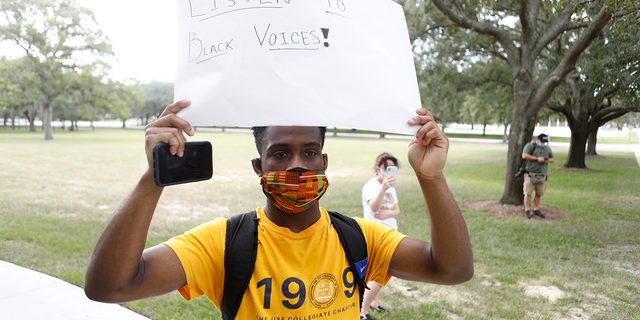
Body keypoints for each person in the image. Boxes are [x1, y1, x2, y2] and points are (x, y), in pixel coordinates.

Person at [84, 99, 474, 319]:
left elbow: (453, 269)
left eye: (309, 152)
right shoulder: (223, 243)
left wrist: (432, 177)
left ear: (324, 162)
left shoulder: (361, 238)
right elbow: (108, 285)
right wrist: (153, 178)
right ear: (259, 167)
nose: (297, 166)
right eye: (280, 154)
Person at [360, 152, 400, 320]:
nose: (389, 172)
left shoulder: (392, 187)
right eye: (386, 168)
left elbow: (397, 211)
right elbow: (374, 208)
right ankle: (362, 312)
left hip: (392, 233)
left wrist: (389, 213)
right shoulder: (371, 185)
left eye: (392, 168)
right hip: (377, 235)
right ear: (378, 169)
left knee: (381, 272)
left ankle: (375, 304)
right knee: (382, 273)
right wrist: (383, 187)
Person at [522, 133, 555, 219]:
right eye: (542, 141)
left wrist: (547, 160)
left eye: (545, 142)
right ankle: (527, 210)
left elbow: (552, 159)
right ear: (537, 139)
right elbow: (524, 155)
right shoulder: (530, 146)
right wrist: (537, 159)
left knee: (539, 193)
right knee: (528, 193)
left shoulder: (547, 148)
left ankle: (536, 209)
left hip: (542, 175)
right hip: (530, 174)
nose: (543, 143)